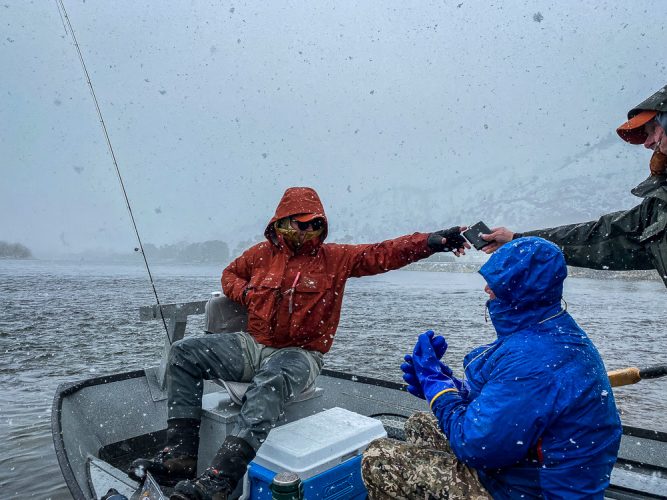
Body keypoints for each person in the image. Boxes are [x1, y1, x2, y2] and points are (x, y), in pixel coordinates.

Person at [128, 186, 470, 500]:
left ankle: (220, 479)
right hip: (254, 344)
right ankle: (179, 457)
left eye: (315, 225)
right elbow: (229, 275)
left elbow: (384, 253)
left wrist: (432, 242)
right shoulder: (259, 255)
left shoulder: (335, 259)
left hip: (301, 355)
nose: (308, 232)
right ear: (281, 223)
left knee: (270, 383)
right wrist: (243, 292)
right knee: (182, 354)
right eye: (300, 224)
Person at [362, 237, 622, 499]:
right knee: (421, 424)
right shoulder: (551, 331)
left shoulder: (534, 362)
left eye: (497, 282)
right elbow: (516, 405)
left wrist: (439, 391)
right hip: (524, 469)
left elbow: (477, 447)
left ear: (520, 289)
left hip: (535, 492)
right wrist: (451, 386)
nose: (487, 288)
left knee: (379, 458)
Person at [480, 84, 667, 287]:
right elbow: (599, 237)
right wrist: (521, 241)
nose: (647, 143)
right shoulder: (656, 208)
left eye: (652, 130)